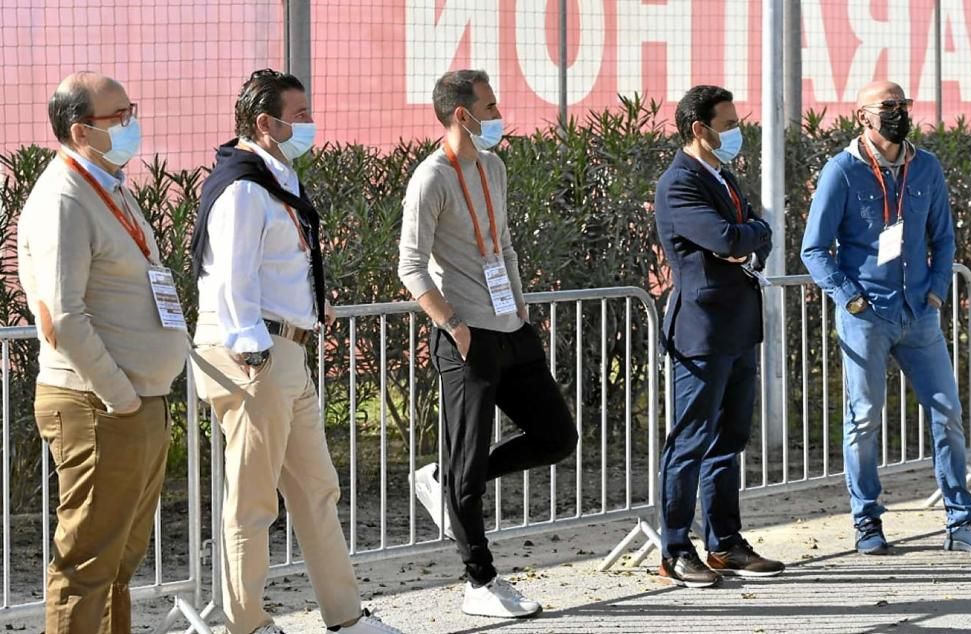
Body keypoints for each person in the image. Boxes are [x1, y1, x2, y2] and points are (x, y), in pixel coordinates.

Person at [190, 69, 402, 634]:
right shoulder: (242, 187)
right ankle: (246, 625)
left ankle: (346, 617)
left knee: (316, 490)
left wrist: (309, 311)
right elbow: (232, 278)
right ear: (266, 123)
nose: (308, 123)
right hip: (255, 354)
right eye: (300, 114)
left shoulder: (274, 181)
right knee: (253, 503)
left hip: (285, 352)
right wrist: (253, 349)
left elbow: (275, 267)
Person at [398, 69, 577, 618]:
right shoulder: (431, 178)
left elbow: (503, 244)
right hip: (467, 338)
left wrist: (520, 305)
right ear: (462, 114)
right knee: (468, 464)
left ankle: (443, 478)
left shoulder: (493, 165)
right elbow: (410, 266)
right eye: (491, 106)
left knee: (556, 437)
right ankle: (479, 582)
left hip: (512, 328)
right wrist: (452, 323)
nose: (499, 115)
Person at [17, 71, 190, 633]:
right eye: (117, 116)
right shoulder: (63, 198)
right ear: (80, 131)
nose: (130, 123)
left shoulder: (108, 185)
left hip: (134, 400)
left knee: (116, 562)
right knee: (87, 563)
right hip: (98, 403)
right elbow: (63, 315)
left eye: (129, 110)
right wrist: (118, 396)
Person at [801, 80, 971, 556]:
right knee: (864, 419)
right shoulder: (843, 171)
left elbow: (944, 239)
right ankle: (867, 521)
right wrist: (850, 299)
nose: (899, 112)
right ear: (862, 116)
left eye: (903, 104)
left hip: (918, 314)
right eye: (888, 106)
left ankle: (962, 522)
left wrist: (935, 294)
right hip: (866, 315)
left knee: (949, 414)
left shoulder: (926, 167)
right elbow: (814, 249)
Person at [653, 85, 785, 588]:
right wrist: (746, 238)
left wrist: (748, 241)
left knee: (729, 441)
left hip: (738, 329)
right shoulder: (680, 183)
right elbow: (729, 237)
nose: (736, 132)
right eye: (728, 124)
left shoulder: (723, 175)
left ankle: (725, 543)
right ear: (698, 130)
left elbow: (759, 233)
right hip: (700, 333)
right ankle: (675, 549)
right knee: (689, 442)